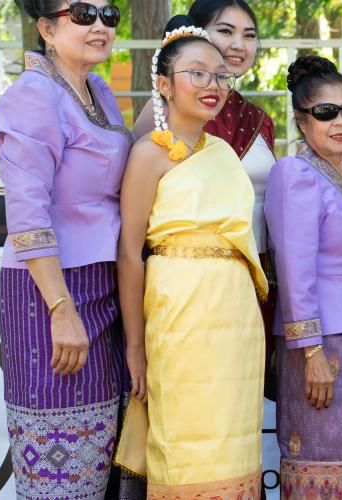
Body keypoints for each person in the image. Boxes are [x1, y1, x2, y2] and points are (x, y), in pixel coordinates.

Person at [114, 16, 268, 496]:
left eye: (220, 75)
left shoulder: (222, 150)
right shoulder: (148, 155)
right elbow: (129, 254)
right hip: (178, 317)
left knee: (235, 441)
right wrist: (135, 348)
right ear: (163, 84)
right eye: (197, 73)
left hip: (238, 323)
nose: (212, 85)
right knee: (185, 441)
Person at [0, 1, 130, 497]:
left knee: (99, 464)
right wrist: (60, 307)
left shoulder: (97, 91)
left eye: (109, 14)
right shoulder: (32, 96)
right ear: (47, 28)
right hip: (50, 292)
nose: (99, 25)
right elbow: (27, 214)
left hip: (104, 287)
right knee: (60, 470)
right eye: (83, 13)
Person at [265, 55, 342, 499]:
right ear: (301, 121)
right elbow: (294, 270)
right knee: (323, 459)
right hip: (322, 345)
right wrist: (311, 352)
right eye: (325, 112)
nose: (341, 121)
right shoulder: (294, 173)